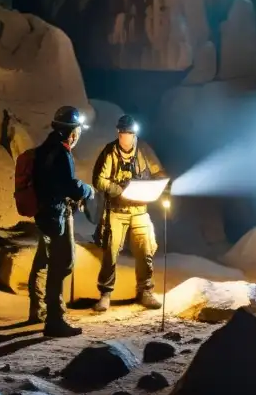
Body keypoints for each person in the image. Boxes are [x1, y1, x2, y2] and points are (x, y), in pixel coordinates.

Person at [28, 105, 95, 337]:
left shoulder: (46, 148)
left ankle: (38, 310)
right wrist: (87, 190)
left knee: (44, 261)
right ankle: (55, 320)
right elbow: (68, 184)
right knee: (62, 263)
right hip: (56, 215)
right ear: (72, 131)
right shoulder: (61, 152)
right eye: (77, 130)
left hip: (44, 213)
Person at [92, 115, 165, 313]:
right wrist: (119, 189)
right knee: (110, 251)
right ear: (118, 133)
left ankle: (145, 291)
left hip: (140, 209)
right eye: (124, 133)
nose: (127, 137)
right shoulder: (110, 152)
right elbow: (98, 180)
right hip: (117, 210)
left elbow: (159, 172)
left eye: (130, 133)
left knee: (145, 250)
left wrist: (156, 185)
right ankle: (105, 294)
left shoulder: (144, 150)